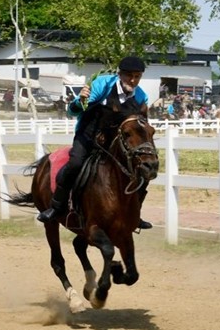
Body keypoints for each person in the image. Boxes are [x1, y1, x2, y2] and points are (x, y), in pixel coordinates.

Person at [37, 56, 153, 229]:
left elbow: (140, 125)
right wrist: (80, 101)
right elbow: (73, 111)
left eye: (137, 76)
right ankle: (56, 206)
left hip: (114, 143)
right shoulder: (101, 85)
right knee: (75, 164)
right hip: (88, 135)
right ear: (120, 74)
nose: (133, 80)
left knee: (142, 170)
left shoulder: (142, 96)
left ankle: (134, 214)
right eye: (129, 75)